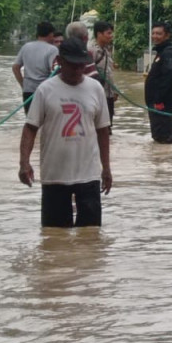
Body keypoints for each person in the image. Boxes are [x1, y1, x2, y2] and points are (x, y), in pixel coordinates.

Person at [19, 38, 112, 228]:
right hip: (55, 175)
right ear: (59, 61)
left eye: (81, 66)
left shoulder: (95, 89)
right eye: (72, 65)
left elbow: (103, 130)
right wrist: (24, 163)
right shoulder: (45, 90)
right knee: (54, 238)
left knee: (91, 236)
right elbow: (30, 128)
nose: (77, 71)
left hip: (89, 175)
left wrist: (107, 168)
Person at [145, 21, 172, 144]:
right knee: (158, 137)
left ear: (167, 36)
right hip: (157, 103)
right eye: (153, 33)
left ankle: (164, 161)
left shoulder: (168, 54)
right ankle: (161, 161)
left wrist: (158, 100)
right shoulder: (161, 52)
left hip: (162, 104)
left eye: (159, 34)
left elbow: (169, 76)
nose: (155, 36)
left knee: (163, 138)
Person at [13, 21, 59, 104]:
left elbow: (15, 67)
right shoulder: (52, 50)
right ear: (51, 34)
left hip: (28, 91)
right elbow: (55, 71)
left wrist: (23, 85)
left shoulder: (26, 47)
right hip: (45, 92)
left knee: (30, 117)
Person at [90, 20, 117, 129]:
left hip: (108, 94)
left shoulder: (106, 50)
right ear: (99, 34)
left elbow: (109, 73)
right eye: (108, 33)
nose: (111, 36)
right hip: (97, 95)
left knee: (107, 127)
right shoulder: (92, 51)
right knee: (99, 127)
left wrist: (114, 90)